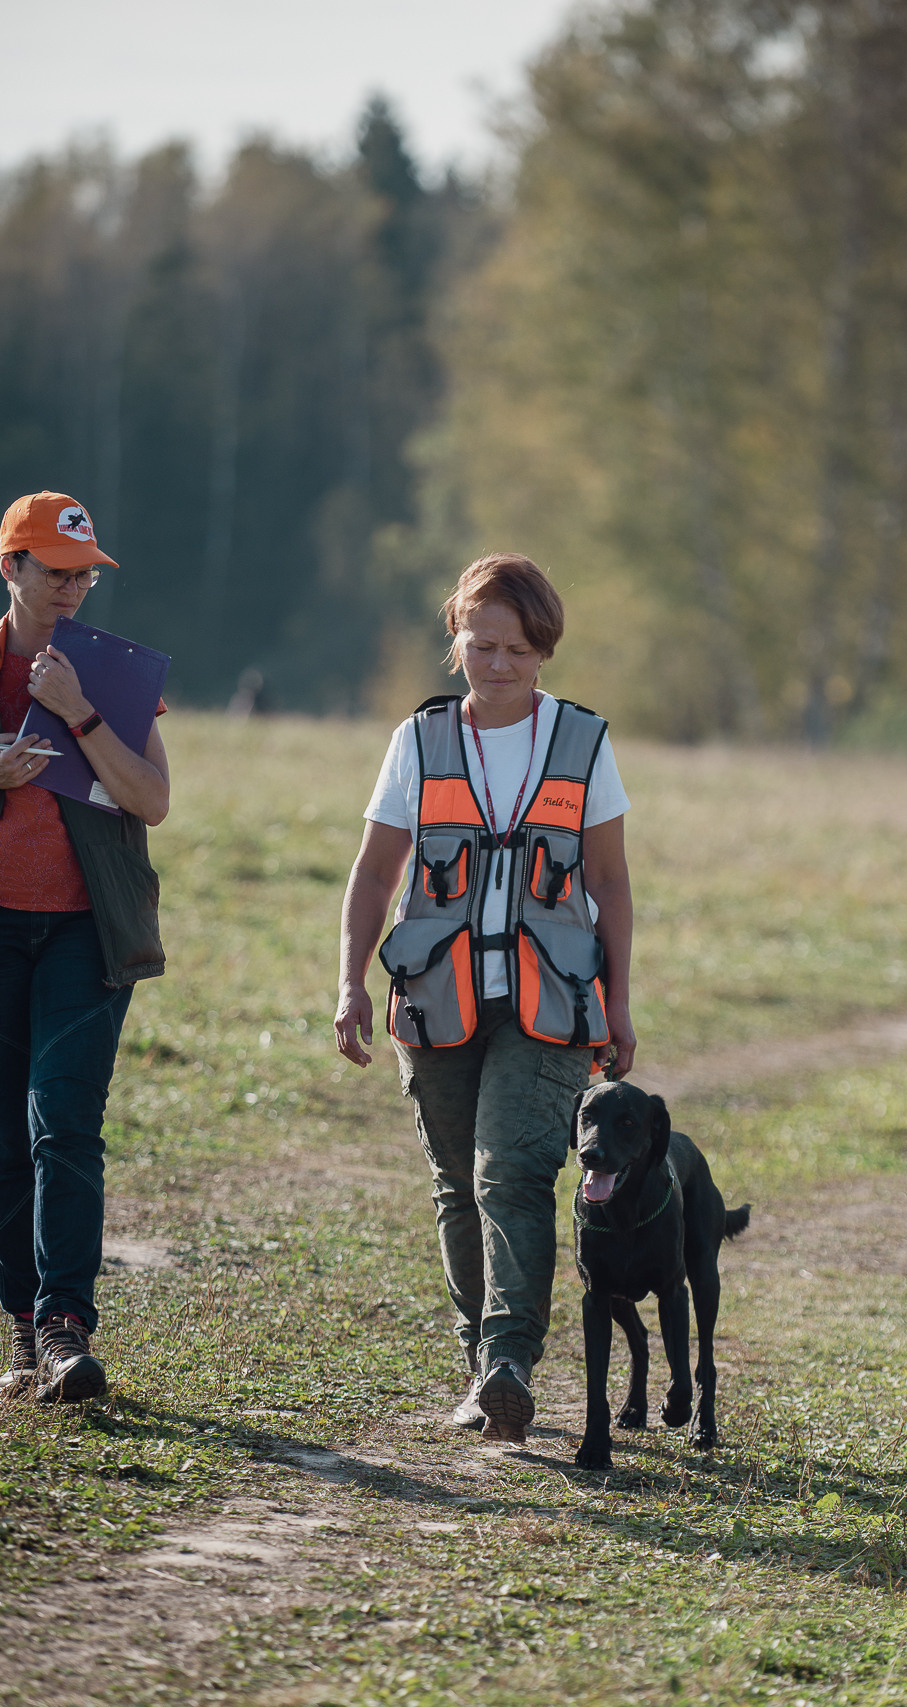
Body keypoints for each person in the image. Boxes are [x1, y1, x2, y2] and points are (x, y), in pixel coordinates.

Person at [334, 553, 635, 1443]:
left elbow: (610, 884)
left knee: (513, 1176)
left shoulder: (583, 742)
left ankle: (508, 1361)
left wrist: (619, 1006)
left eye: (516, 648)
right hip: (435, 1002)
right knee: (455, 1186)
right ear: (455, 639)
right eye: (480, 644)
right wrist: (348, 983)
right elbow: (375, 872)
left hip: (551, 1008)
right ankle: (480, 1367)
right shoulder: (416, 743)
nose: (497, 664)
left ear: (542, 651)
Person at [0, 491, 170, 1404]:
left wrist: (82, 715)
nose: (71, 589)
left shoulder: (116, 674)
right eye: (54, 571)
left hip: (87, 934)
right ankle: (22, 1333)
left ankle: (66, 1327)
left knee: (65, 1124)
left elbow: (151, 801)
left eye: (84, 574)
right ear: (10, 567)